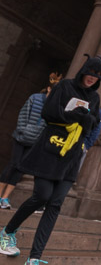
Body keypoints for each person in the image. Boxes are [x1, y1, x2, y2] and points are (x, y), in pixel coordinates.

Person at [0, 55, 101, 265]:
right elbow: (48, 112)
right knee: (41, 196)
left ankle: (33, 261)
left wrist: (85, 129)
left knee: (55, 204)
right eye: (90, 73)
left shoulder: (95, 97)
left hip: (72, 155)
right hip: (50, 148)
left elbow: (94, 123)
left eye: (97, 76)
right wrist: (73, 116)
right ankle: (7, 232)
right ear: (83, 71)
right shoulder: (66, 86)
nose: (92, 78)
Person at [0, 73, 62, 209]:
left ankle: (5, 198)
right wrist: (23, 130)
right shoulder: (35, 98)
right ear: (49, 89)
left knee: (20, 168)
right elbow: (23, 114)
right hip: (21, 137)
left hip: (34, 142)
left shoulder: (54, 108)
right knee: (13, 164)